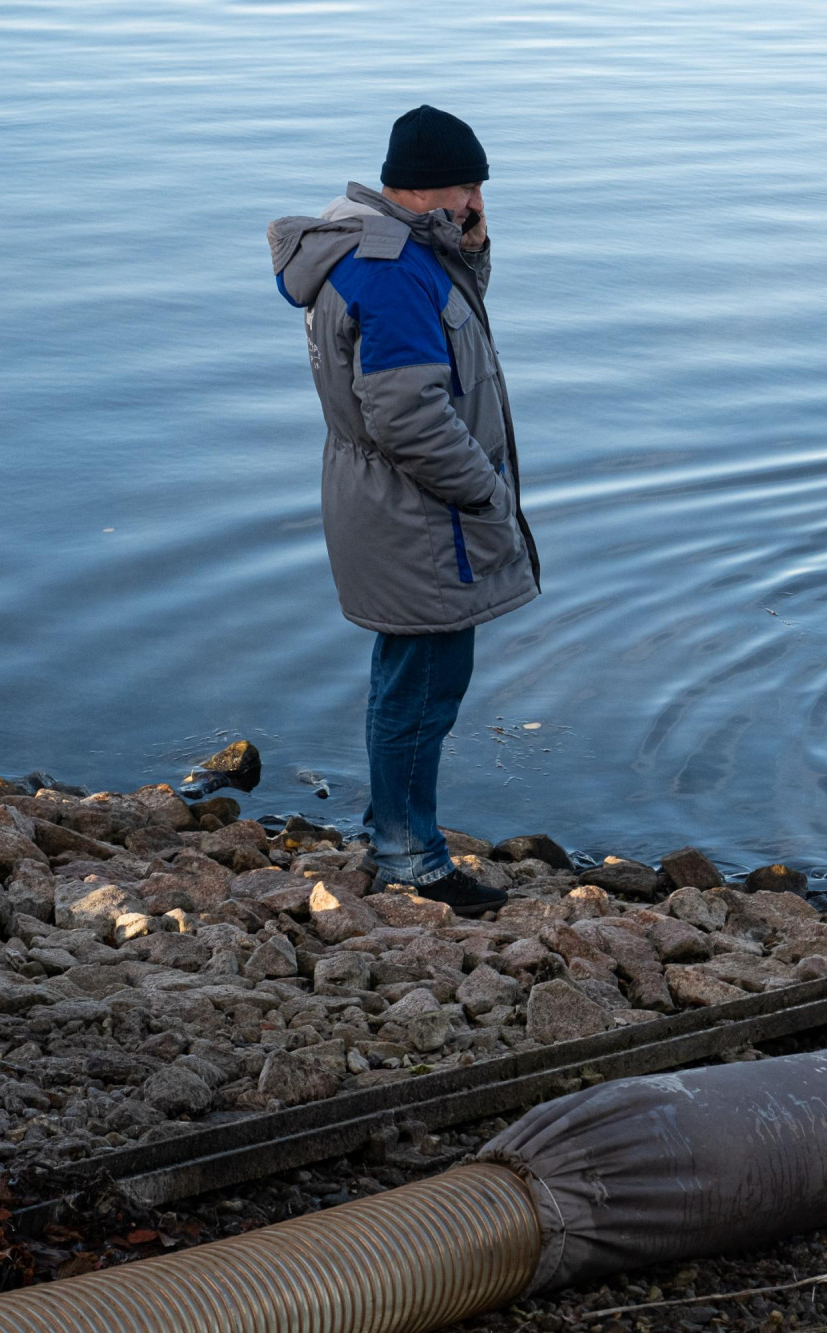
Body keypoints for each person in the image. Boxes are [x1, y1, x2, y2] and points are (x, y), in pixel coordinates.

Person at [267, 105, 540, 916]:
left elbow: (440, 334)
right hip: (421, 514)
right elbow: (409, 415)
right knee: (424, 682)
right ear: (432, 192)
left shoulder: (378, 246)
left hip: (390, 503)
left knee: (407, 675)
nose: (479, 202)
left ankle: (390, 823)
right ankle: (410, 859)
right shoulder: (389, 269)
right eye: (471, 188)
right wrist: (485, 491)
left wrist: (473, 247)